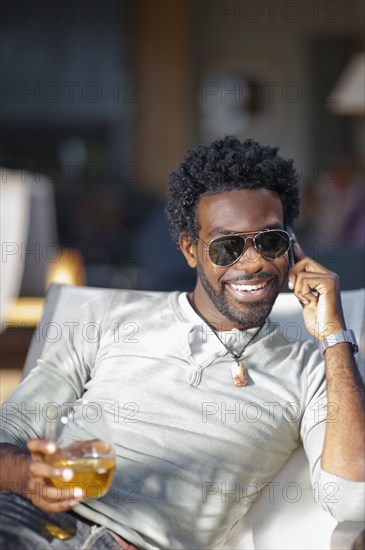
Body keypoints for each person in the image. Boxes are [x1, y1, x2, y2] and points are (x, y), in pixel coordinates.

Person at [0, 137, 364, 549]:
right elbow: (5, 436)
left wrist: (335, 336)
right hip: (25, 517)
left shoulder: (312, 368)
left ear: (292, 248)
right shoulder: (106, 319)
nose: (254, 262)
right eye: (228, 246)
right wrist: (28, 476)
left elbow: (353, 498)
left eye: (271, 242)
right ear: (191, 249)